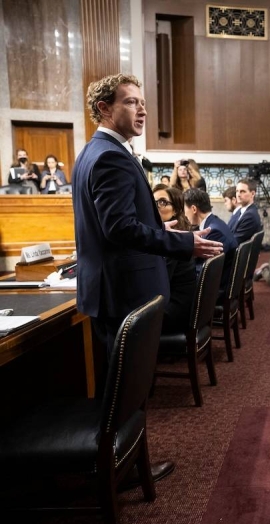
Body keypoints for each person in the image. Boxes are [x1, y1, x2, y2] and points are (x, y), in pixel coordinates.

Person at [72, 73, 221, 486]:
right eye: (131, 102)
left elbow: (121, 224)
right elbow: (119, 228)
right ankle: (124, 471)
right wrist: (182, 244)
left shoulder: (96, 152)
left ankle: (127, 465)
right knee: (126, 389)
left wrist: (168, 233)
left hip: (116, 288)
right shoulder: (110, 156)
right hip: (124, 292)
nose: (142, 110)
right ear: (104, 109)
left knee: (126, 387)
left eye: (143, 102)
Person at [152, 184, 196, 334]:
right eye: (152, 202)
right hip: (171, 305)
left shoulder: (175, 240)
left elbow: (158, 285)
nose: (156, 206)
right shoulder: (165, 236)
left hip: (173, 313)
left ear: (176, 210)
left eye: (162, 202)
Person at [184, 188, 238, 294]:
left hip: (217, 290)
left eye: (184, 209)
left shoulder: (214, 231)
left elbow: (206, 271)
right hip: (219, 281)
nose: (184, 214)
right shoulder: (215, 222)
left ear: (194, 209)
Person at [228, 178, 263, 245]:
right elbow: (229, 231)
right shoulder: (241, 210)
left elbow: (234, 242)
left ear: (252, 194)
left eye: (242, 191)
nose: (238, 195)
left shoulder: (250, 216)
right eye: (237, 191)